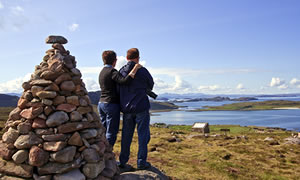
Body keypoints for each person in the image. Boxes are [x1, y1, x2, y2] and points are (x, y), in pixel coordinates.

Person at [118, 48, 154, 170]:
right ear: (138, 58)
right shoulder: (142, 71)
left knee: (126, 136)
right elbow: (151, 84)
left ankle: (122, 162)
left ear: (127, 58)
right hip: (141, 107)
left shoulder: (121, 71)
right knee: (143, 135)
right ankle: (141, 162)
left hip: (127, 109)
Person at [98, 50, 141, 148]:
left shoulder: (102, 72)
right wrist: (135, 68)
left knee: (104, 130)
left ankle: (101, 155)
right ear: (115, 60)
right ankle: (107, 155)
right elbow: (124, 81)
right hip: (111, 104)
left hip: (101, 103)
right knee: (111, 132)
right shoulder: (112, 71)